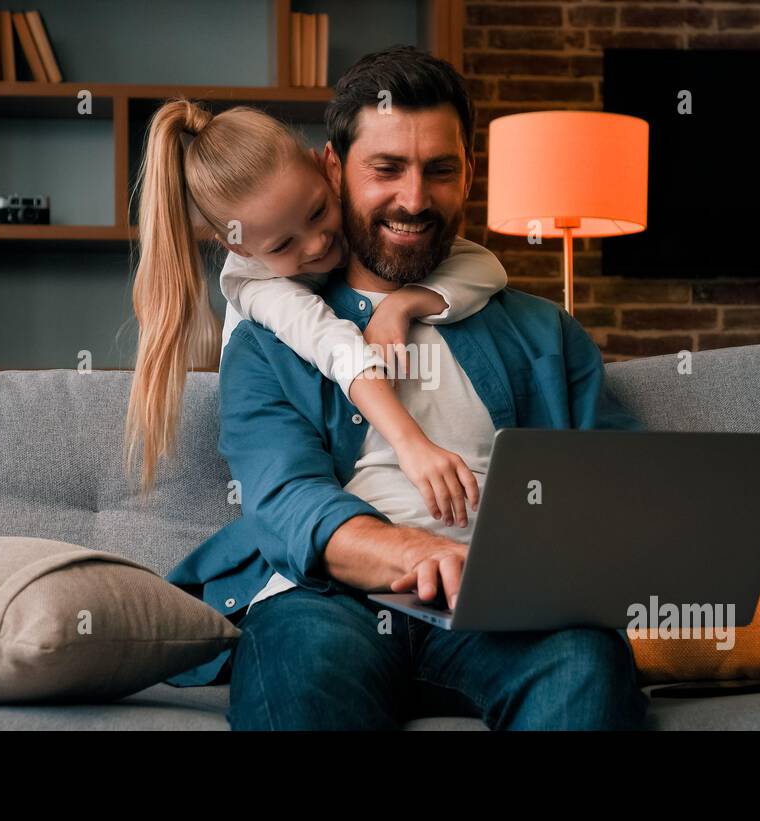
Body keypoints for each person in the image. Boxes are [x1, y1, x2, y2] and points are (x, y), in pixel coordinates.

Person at [163, 45, 650, 731]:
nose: (414, 199)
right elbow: (285, 500)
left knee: (585, 663)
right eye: (386, 168)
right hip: (328, 599)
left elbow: (626, 481)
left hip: (501, 609)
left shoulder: (543, 331)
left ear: (469, 176)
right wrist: (424, 553)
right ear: (331, 168)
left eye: (440, 171)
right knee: (301, 672)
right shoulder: (271, 338)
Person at [122, 98, 506, 525]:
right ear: (239, 247)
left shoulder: (356, 220)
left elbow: (484, 264)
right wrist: (411, 443)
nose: (317, 243)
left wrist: (403, 304)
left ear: (324, 168)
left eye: (318, 211)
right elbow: (337, 348)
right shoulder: (254, 285)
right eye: (283, 246)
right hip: (282, 427)